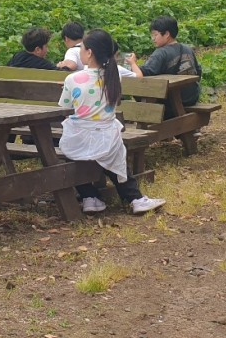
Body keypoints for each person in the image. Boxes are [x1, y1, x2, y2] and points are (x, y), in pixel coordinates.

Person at [59, 29, 166, 215]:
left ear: (90, 52)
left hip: (78, 139)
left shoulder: (72, 79)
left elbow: (64, 107)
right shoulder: (114, 75)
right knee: (115, 156)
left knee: (75, 148)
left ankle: (89, 197)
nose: (81, 52)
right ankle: (134, 198)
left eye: (82, 48)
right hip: (107, 138)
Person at [125, 16, 201, 111]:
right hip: (191, 98)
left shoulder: (161, 52)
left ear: (166, 34)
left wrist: (132, 63)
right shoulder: (188, 49)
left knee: (135, 86)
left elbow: (145, 72)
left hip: (170, 103)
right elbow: (198, 71)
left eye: (155, 35)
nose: (153, 39)